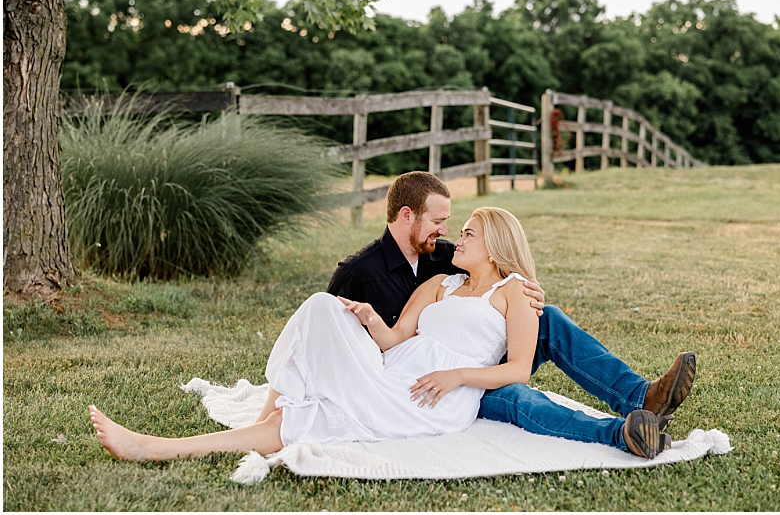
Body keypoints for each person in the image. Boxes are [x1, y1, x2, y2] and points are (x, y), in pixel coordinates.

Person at [90, 207, 669, 462]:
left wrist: (456, 375)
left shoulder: (513, 292)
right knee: (319, 308)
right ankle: (164, 446)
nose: (454, 239)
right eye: (453, 230)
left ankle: (632, 416)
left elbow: (518, 368)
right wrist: (369, 321)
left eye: (467, 233)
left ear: (491, 244)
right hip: (394, 372)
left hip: (439, 395)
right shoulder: (439, 285)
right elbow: (395, 341)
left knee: (306, 417)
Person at [324, 171, 695, 457]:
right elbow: (334, 339)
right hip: (429, 377)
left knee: (547, 316)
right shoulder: (357, 274)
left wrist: (525, 295)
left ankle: (641, 397)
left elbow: (493, 263)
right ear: (408, 216)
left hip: (481, 357)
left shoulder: (443, 253)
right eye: (439, 222)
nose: (449, 233)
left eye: (458, 228)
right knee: (517, 396)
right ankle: (625, 432)